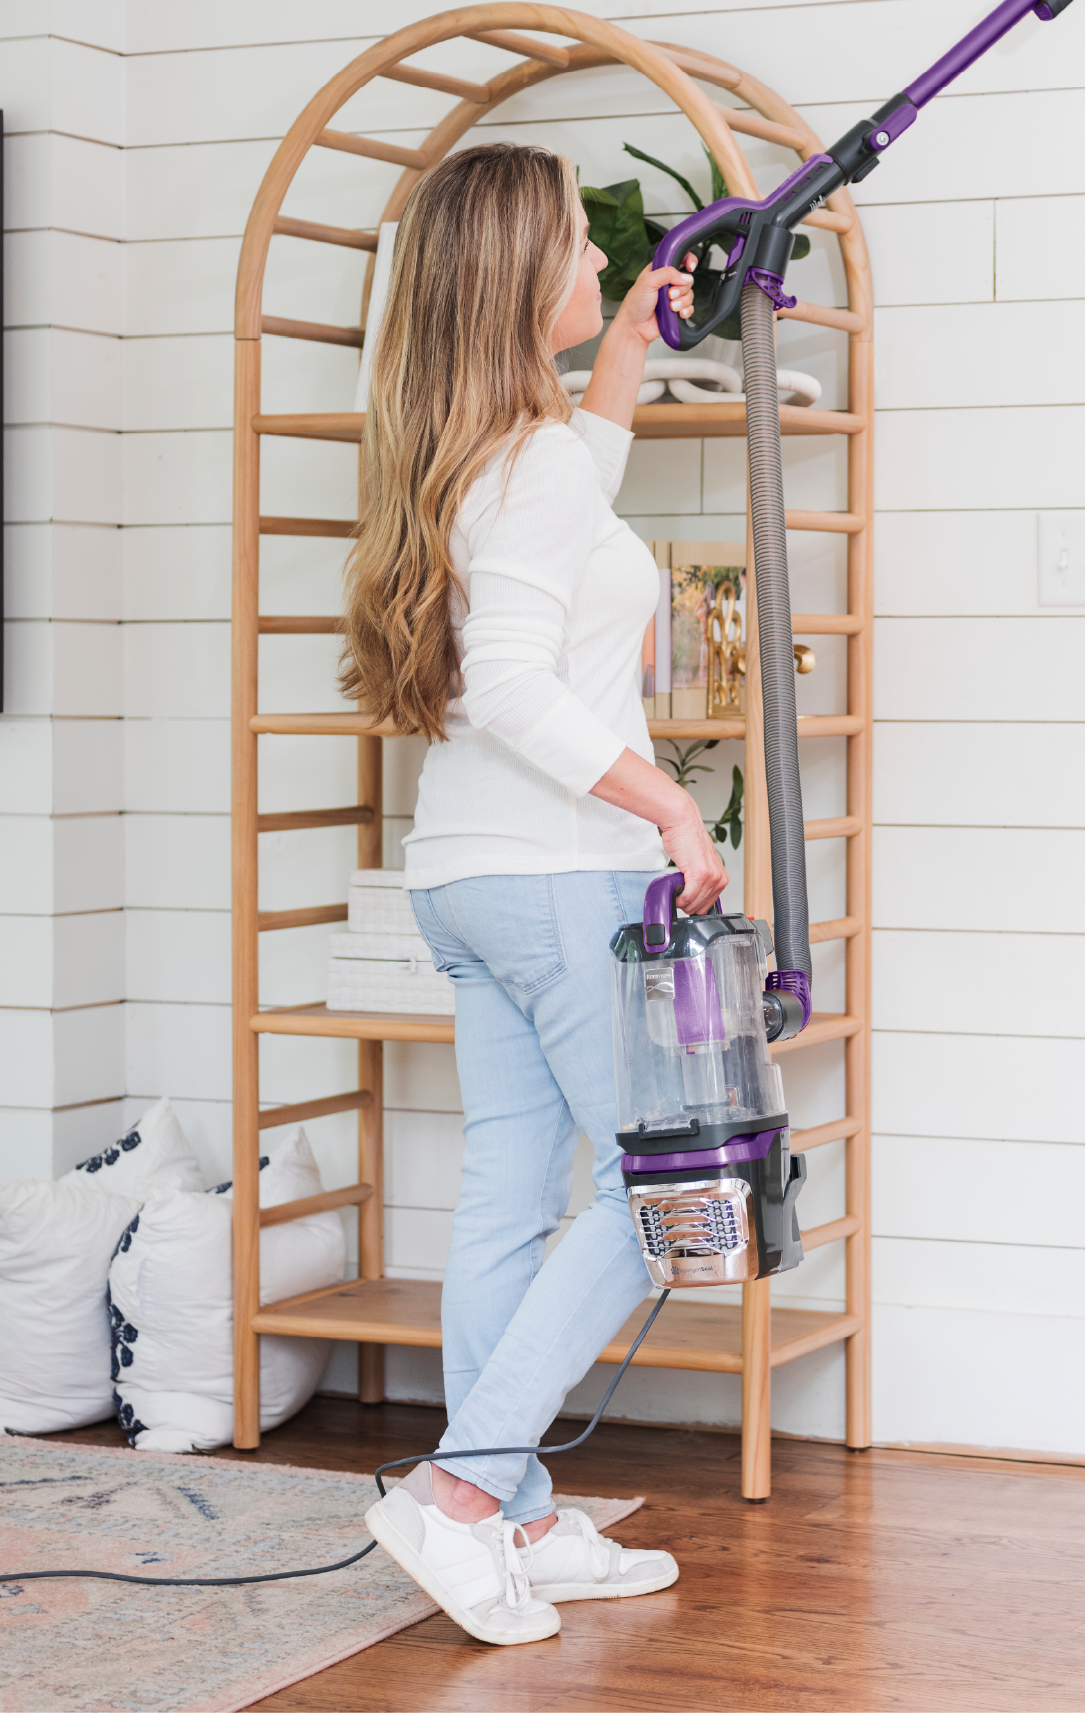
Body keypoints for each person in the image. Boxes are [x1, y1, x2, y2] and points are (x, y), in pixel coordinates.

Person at [343, 143, 722, 1646]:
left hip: (467, 880)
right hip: (567, 879)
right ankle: (459, 1497)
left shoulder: (484, 449)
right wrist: (669, 799)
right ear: (513, 280)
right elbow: (510, 680)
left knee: (507, 1198)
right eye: (577, 248)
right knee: (658, 1196)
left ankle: (523, 1523)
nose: (593, 264)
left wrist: (626, 346)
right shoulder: (538, 462)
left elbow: (572, 517)